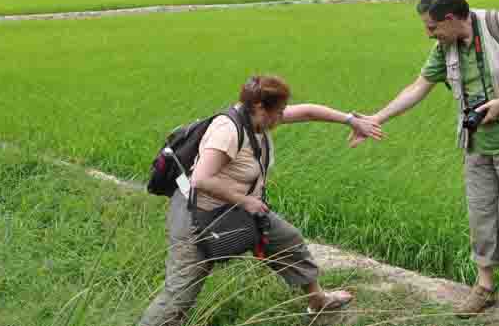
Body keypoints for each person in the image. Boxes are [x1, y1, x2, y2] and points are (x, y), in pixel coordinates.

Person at [357, 0, 499, 325]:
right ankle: (484, 286)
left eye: (432, 27)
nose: (428, 34)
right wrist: (376, 117)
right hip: (476, 142)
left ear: (450, 19)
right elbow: (418, 86)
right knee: (480, 214)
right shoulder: (444, 48)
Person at [138, 75, 384, 326]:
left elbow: (309, 111)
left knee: (288, 241)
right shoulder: (228, 131)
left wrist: (351, 121)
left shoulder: (258, 118)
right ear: (259, 107)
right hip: (198, 219)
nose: (283, 116)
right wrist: (244, 201)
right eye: (279, 111)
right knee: (178, 297)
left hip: (238, 210)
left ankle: (318, 301)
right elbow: (201, 179)